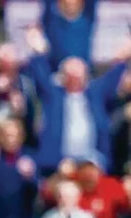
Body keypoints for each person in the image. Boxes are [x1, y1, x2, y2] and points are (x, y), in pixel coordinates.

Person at [23, 25, 131, 174]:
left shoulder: (94, 93)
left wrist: (122, 58)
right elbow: (40, 75)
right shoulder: (54, 94)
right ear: (63, 77)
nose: (76, 79)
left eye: (79, 75)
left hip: (92, 162)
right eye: (71, 75)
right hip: (60, 164)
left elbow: (111, 79)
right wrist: (37, 51)